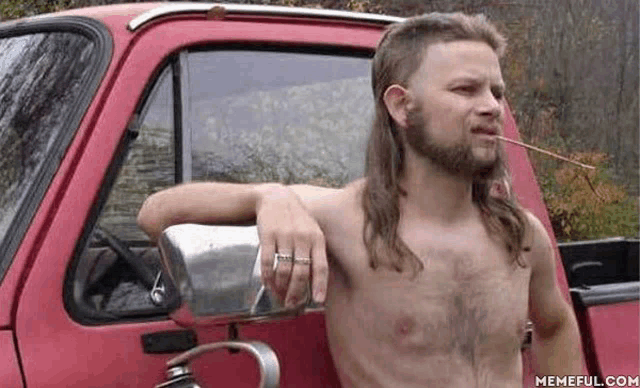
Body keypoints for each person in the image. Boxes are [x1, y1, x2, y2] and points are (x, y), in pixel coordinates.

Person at [138, 12, 584, 387]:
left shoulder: (520, 234)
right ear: (401, 106)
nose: (492, 107)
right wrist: (266, 196)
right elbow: (155, 213)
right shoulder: (347, 220)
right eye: (466, 90)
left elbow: (556, 325)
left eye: (497, 92)